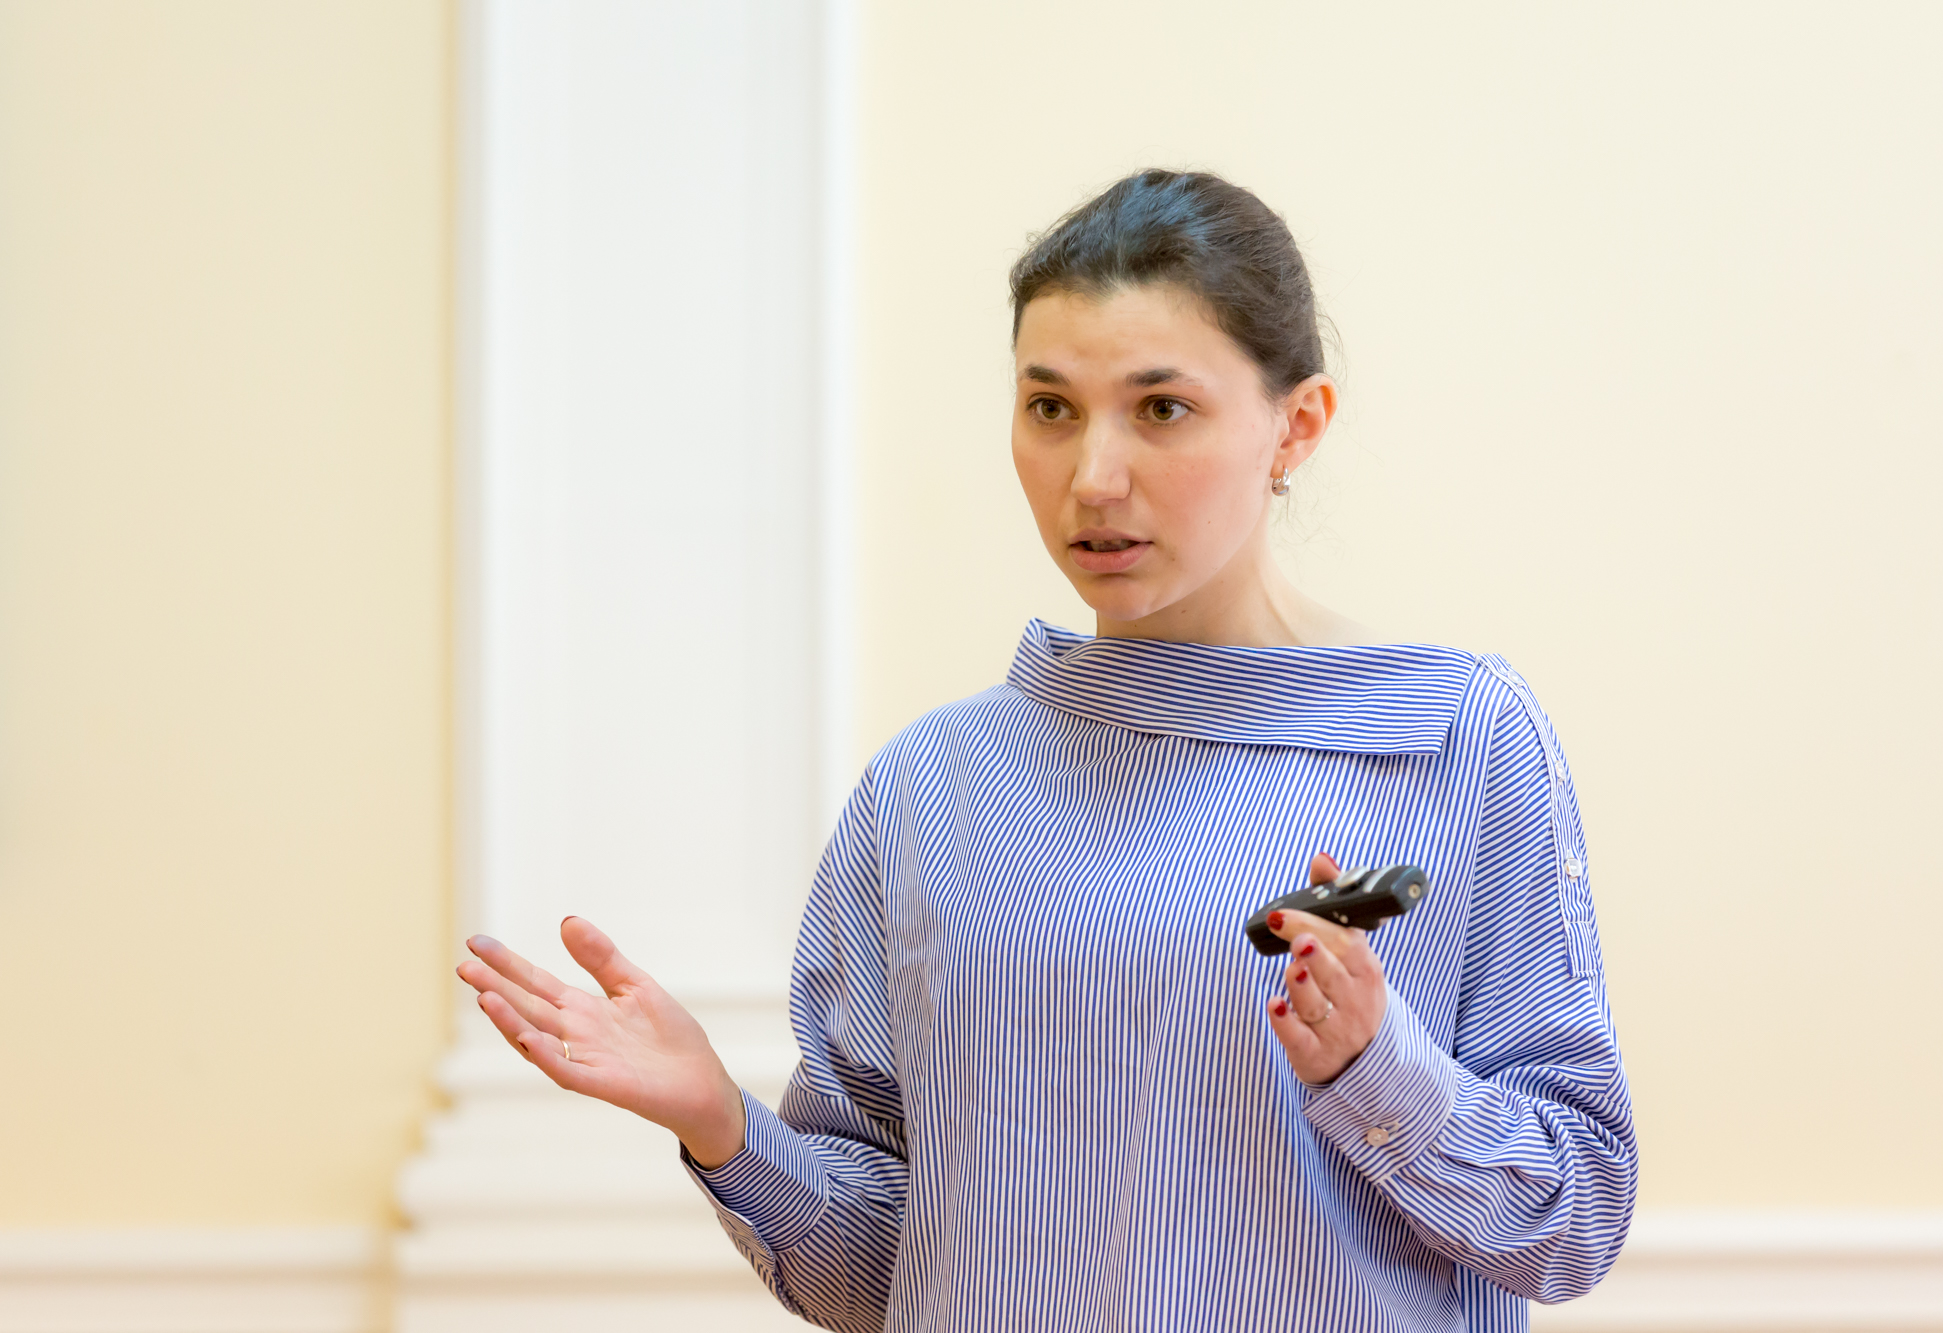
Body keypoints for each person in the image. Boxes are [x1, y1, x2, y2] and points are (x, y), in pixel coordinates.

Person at [457, 169, 1637, 1332]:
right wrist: (720, 1121)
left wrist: (1377, 1071)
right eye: (1050, 408)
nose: (1092, 477)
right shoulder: (930, 788)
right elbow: (885, 1280)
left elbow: (1572, 1220)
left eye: (1159, 409)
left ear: (1297, 425)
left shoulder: (1450, 738)